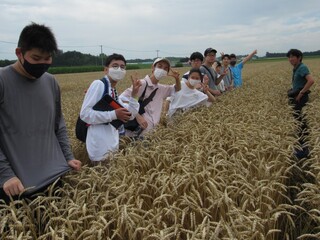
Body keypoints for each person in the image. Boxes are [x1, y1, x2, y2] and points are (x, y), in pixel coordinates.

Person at [0, 23, 81, 203]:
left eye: (47, 58)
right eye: (36, 58)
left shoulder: (51, 82)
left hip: (55, 177)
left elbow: (58, 125)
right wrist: (5, 175)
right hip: (16, 186)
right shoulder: (2, 80)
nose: (42, 64)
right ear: (19, 53)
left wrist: (67, 157)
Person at [80, 53, 140, 164]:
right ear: (106, 70)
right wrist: (114, 115)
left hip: (111, 145)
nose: (119, 69)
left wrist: (134, 95)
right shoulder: (99, 84)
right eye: (115, 66)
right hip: (100, 148)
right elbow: (85, 114)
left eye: (122, 67)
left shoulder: (113, 91)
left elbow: (130, 115)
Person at [119, 57, 181, 136]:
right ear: (153, 67)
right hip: (136, 132)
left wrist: (177, 79)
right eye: (160, 66)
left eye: (165, 68)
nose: (162, 70)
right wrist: (137, 116)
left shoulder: (161, 88)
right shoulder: (142, 84)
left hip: (151, 133)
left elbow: (177, 89)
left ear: (167, 73)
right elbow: (122, 99)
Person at [286, 49, 315, 159]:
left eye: (293, 56)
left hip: (300, 98)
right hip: (297, 97)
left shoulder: (302, 67)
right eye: (289, 57)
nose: (290, 59)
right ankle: (301, 147)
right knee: (298, 121)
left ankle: (304, 150)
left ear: (299, 58)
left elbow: (311, 80)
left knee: (301, 122)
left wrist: (301, 92)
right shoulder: (296, 68)